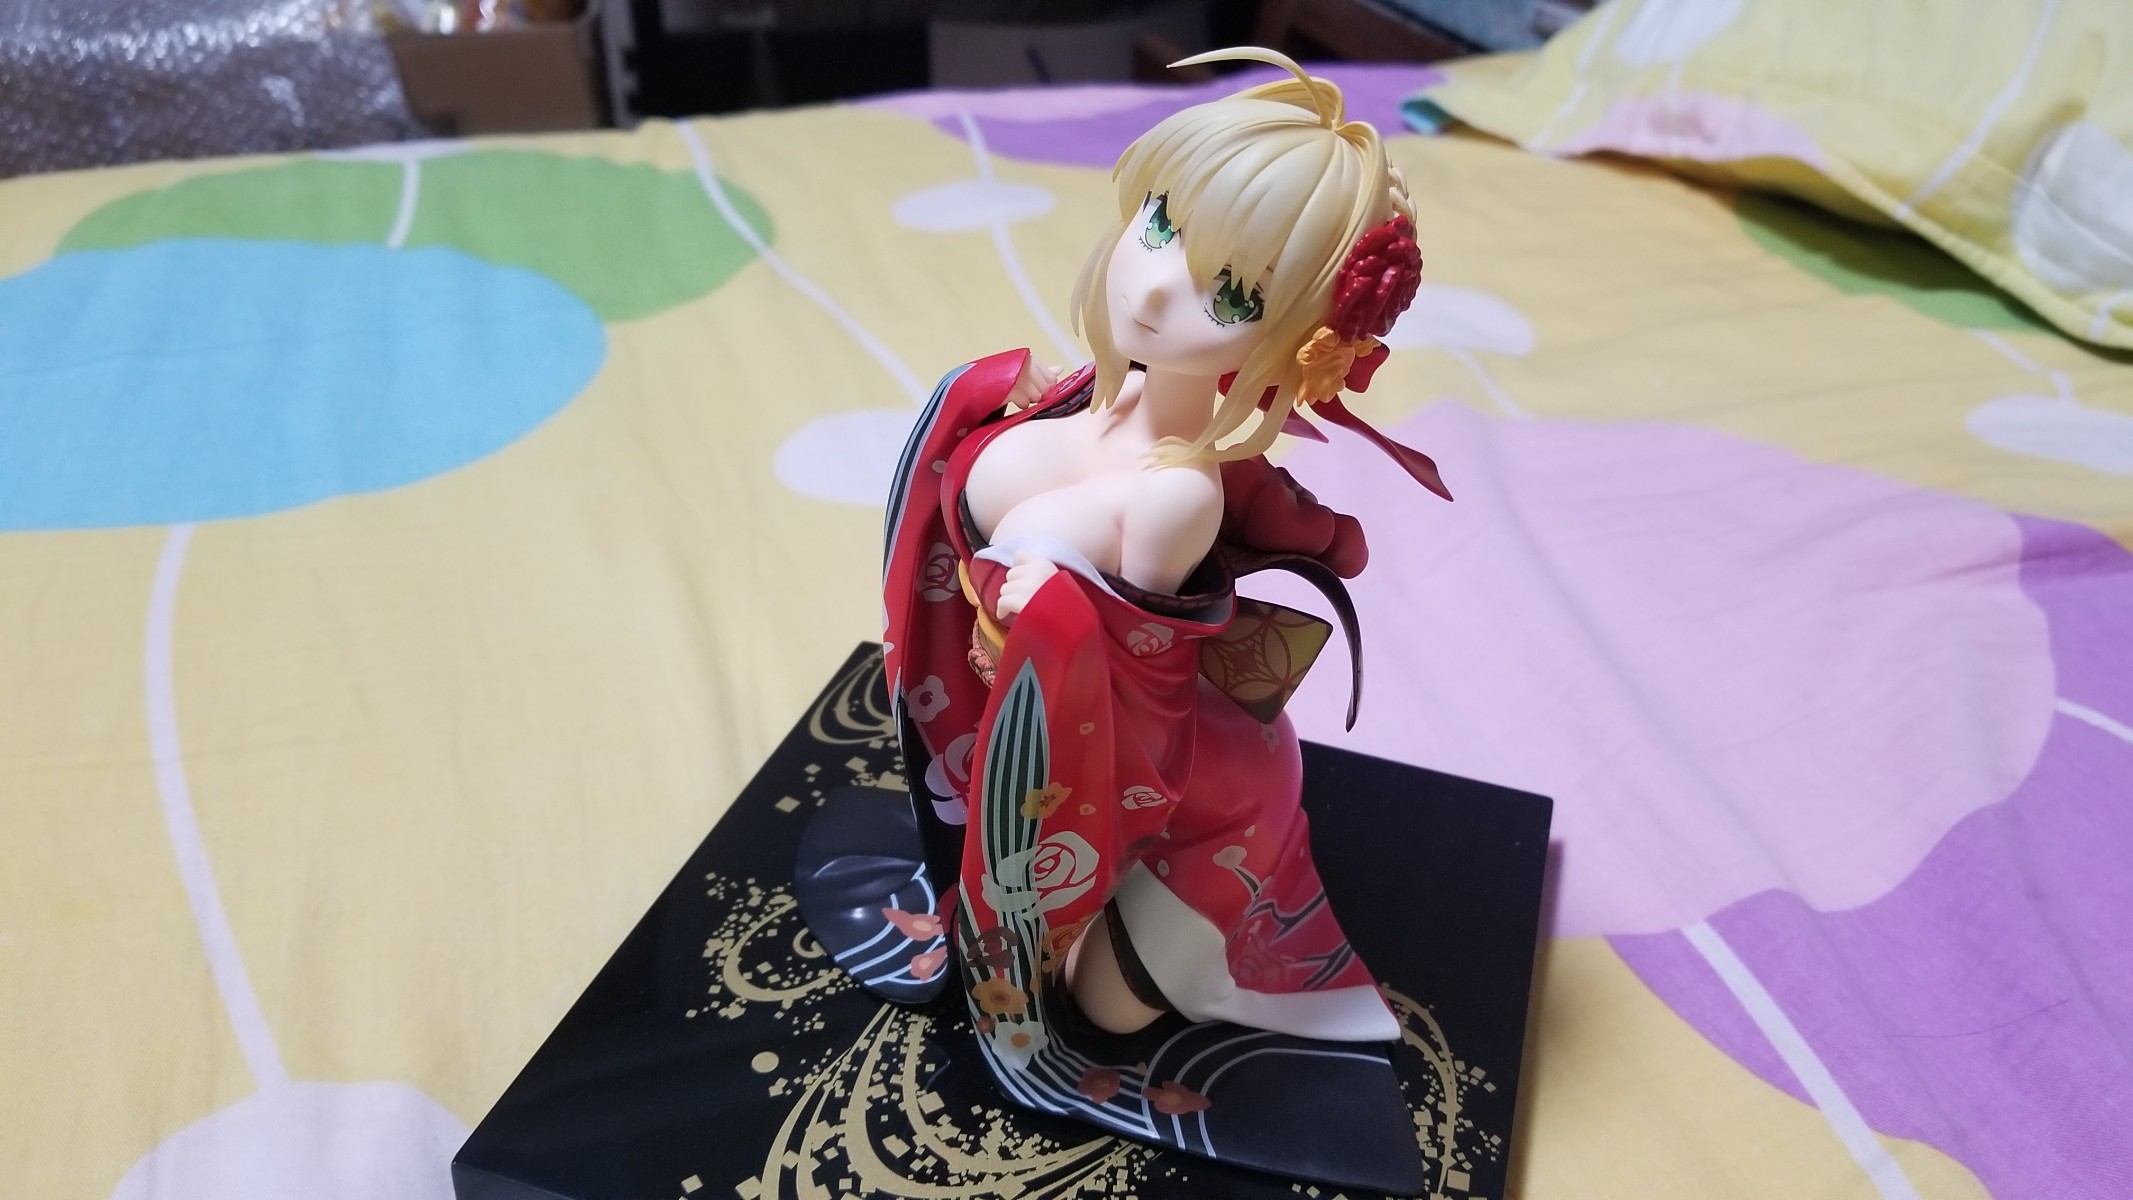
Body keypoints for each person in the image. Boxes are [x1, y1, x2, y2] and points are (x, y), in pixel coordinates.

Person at [871, 45, 1449, 1158]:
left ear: (1294, 342)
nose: (1149, 284)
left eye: (1231, 294)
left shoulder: (1175, 493)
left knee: (1096, 1008)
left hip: (1182, 792)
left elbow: (1134, 697)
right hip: (1042, 736)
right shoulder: (1065, 397)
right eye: (1161, 223)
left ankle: (1204, 918)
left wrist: (1049, 612)